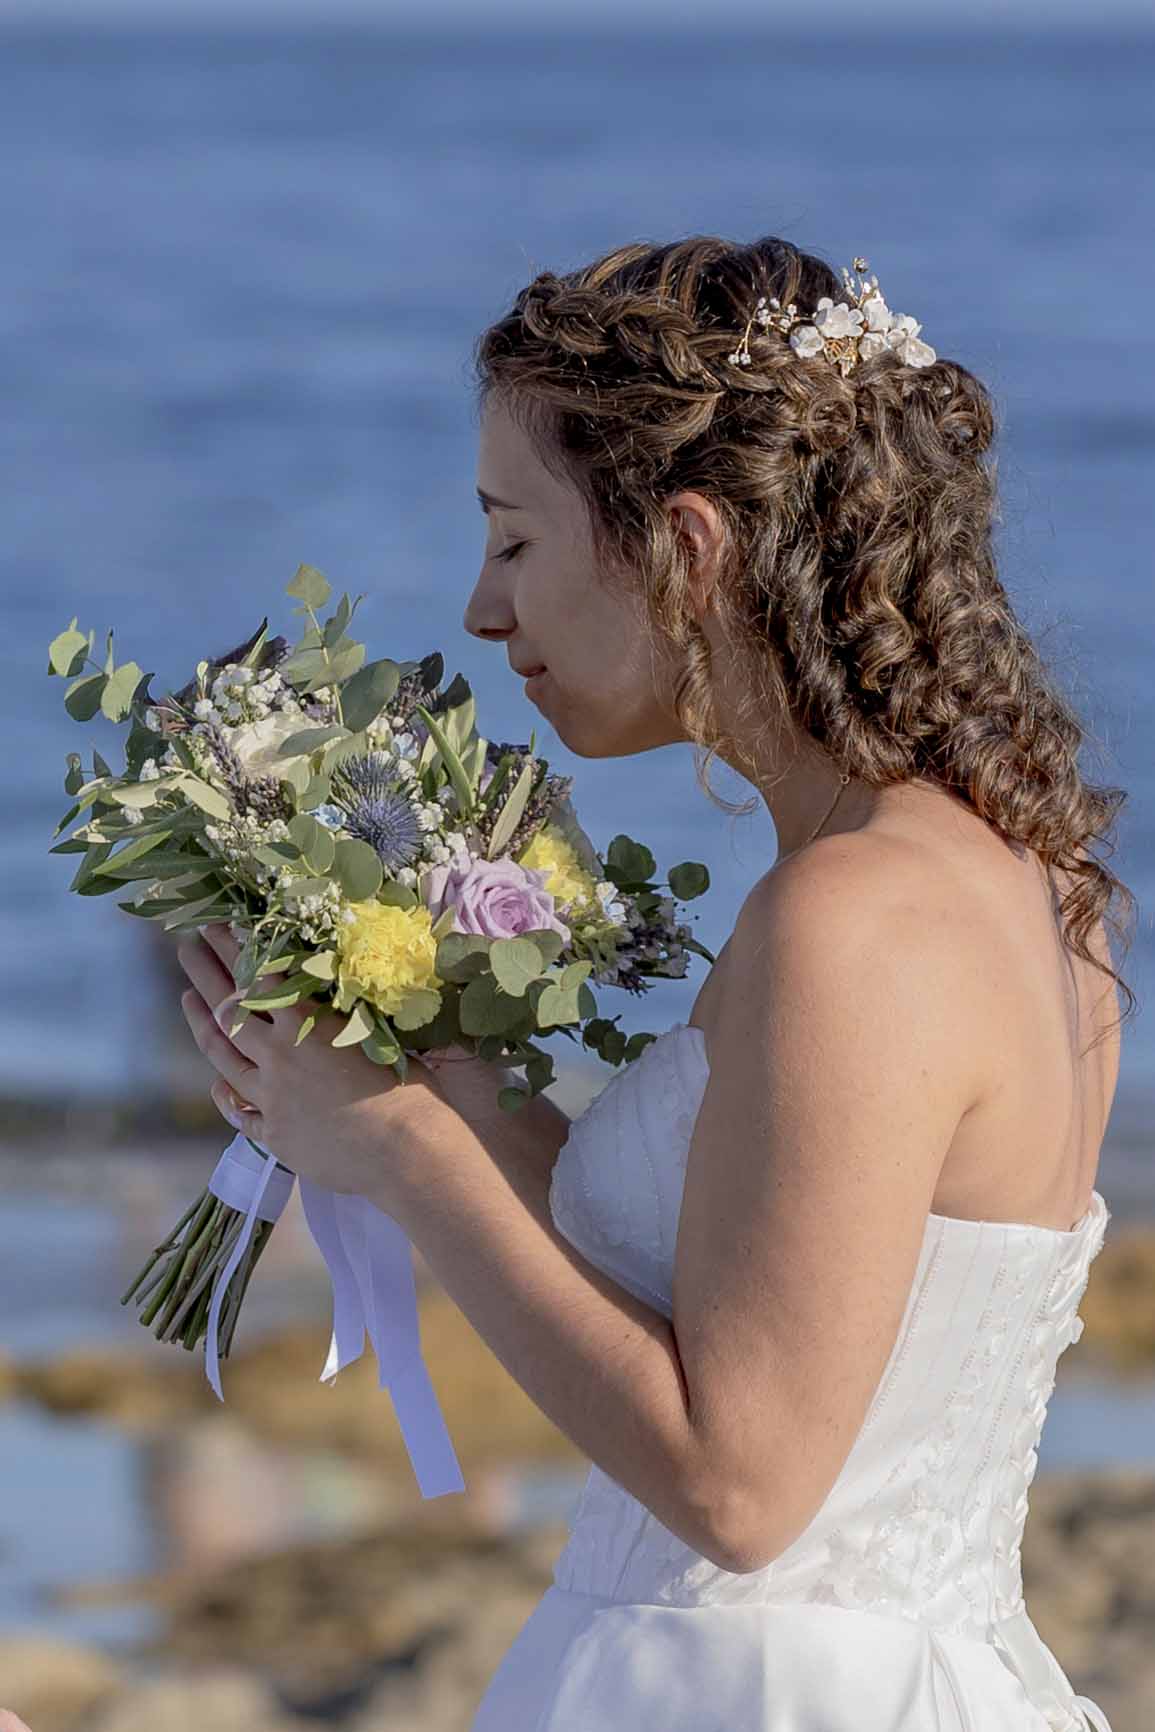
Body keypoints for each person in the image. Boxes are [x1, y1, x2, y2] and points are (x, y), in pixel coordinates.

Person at [160, 234, 1136, 1732]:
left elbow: (740, 1488)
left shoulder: (854, 919)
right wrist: (455, 1092)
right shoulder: (1008, 879)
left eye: (514, 539)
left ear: (687, 548)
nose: (485, 614)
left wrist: (401, 1158)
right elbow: (749, 1299)